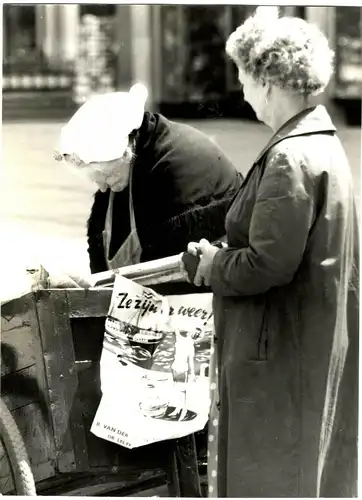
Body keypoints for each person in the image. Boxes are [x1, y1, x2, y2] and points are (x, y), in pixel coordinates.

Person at [187, 7, 359, 498]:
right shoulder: (321, 144)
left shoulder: (289, 156)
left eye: (243, 77)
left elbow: (267, 263)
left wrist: (212, 264)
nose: (241, 90)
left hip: (279, 352)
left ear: (267, 79)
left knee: (270, 477)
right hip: (308, 341)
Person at [54, 83, 243, 497]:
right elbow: (100, 235)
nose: (100, 186)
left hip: (206, 312)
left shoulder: (174, 168)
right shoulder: (132, 157)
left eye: (102, 174)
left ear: (123, 152)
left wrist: (106, 295)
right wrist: (92, 285)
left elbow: (175, 275)